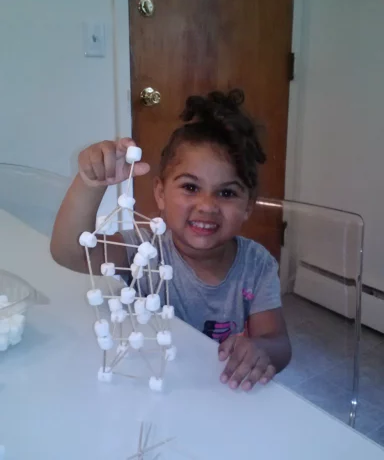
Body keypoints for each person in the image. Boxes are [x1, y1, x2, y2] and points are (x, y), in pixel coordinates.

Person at [50, 89, 291, 392]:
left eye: (227, 193)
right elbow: (69, 252)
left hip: (221, 392)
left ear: (248, 206)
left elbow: (279, 343)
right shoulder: (143, 249)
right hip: (155, 390)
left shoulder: (257, 265)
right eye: (190, 187)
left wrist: (263, 350)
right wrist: (91, 182)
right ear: (161, 194)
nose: (207, 206)